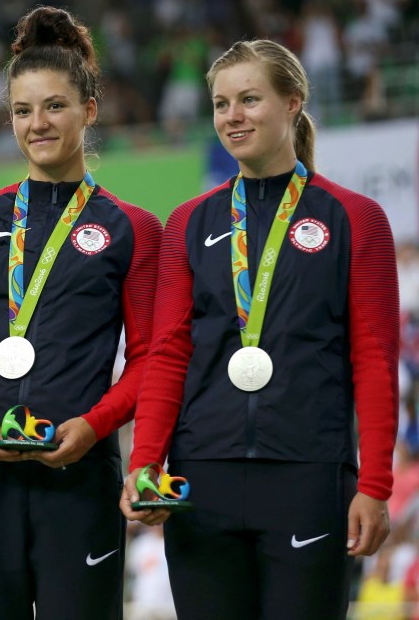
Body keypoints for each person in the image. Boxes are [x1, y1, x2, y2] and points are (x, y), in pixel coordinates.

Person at [120, 39, 399, 620]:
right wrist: (145, 463)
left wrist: (374, 484)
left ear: (293, 103)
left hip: (309, 473)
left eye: (250, 99)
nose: (232, 116)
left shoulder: (354, 217)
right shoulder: (190, 222)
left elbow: (374, 358)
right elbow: (170, 351)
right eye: (222, 104)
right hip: (203, 478)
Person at [0, 6, 162, 619]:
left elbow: (151, 360)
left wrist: (95, 425)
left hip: (78, 472)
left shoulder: (132, 228)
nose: (38, 123)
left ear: (89, 110)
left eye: (55, 106)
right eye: (23, 111)